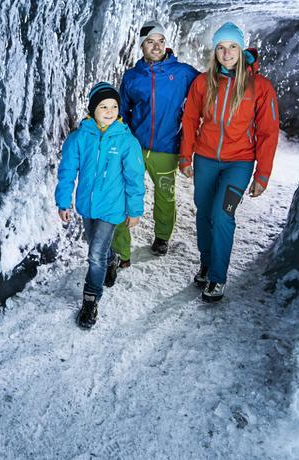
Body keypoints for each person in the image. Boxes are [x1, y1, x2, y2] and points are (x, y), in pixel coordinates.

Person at [178, 22, 279, 303]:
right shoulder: (203, 82)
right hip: (206, 159)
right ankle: (207, 263)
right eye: (221, 47)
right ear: (215, 52)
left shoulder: (260, 87)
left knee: (223, 214)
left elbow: (269, 131)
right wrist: (186, 155)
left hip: (240, 163)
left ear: (241, 48)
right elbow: (189, 120)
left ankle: (217, 278)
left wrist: (263, 174)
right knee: (203, 212)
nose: (227, 53)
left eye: (232, 46)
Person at [55, 82, 145, 328]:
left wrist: (134, 210)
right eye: (103, 106)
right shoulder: (79, 138)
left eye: (114, 106)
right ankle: (112, 259)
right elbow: (67, 172)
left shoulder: (127, 141)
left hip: (112, 208)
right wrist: (63, 202)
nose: (109, 110)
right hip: (87, 206)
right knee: (98, 249)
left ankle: (90, 300)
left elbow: (134, 178)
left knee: (94, 255)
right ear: (92, 109)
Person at [112, 20, 199, 274]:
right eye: (150, 41)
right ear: (141, 45)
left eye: (161, 40)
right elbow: (123, 111)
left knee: (165, 195)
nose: (157, 46)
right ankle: (121, 250)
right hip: (136, 148)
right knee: (124, 195)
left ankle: (162, 237)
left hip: (167, 147)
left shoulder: (183, 73)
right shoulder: (132, 77)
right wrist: (124, 142)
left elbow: (208, 88)